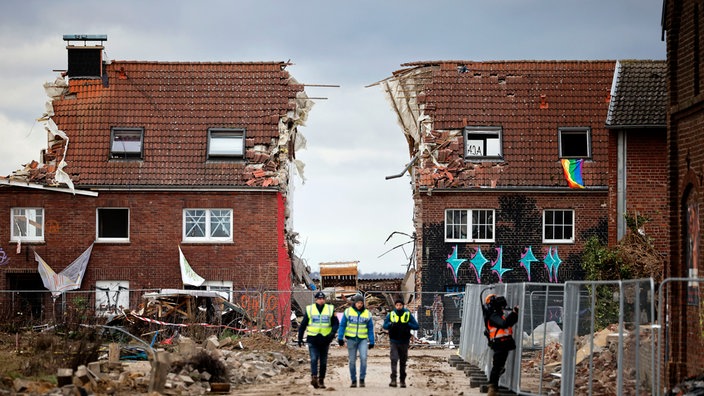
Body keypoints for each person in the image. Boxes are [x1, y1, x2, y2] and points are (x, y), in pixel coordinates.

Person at [298, 291, 338, 389]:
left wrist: (332, 333)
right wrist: (300, 337)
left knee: (323, 362)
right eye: (319, 299)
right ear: (316, 300)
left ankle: (321, 380)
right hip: (313, 338)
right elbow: (303, 324)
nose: (321, 300)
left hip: (325, 339)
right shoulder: (310, 309)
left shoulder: (330, 309)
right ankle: (314, 377)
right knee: (314, 358)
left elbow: (336, 323)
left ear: (324, 299)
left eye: (323, 299)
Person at [482, 294, 519, 396]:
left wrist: (514, 314)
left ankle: (494, 387)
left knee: (499, 367)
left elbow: (508, 324)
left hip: (504, 343)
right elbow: (504, 324)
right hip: (499, 344)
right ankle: (492, 389)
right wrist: (514, 313)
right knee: (497, 367)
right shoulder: (493, 316)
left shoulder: (498, 315)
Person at [338, 294, 375, 388]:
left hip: (362, 339)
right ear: (354, 303)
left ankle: (362, 379)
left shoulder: (367, 313)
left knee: (363, 358)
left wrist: (372, 341)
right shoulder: (348, 312)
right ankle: (353, 380)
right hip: (351, 339)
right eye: (358, 302)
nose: (359, 305)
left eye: (361, 303)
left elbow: (370, 328)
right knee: (352, 361)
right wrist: (340, 337)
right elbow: (342, 325)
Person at [382, 298, 419, 388]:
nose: (398, 307)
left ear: (403, 306)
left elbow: (416, 326)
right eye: (397, 305)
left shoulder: (407, 314)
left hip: (404, 341)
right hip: (394, 341)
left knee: (403, 361)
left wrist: (408, 325)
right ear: (395, 306)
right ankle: (393, 380)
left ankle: (402, 380)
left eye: (400, 305)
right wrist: (390, 324)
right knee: (394, 359)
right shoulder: (391, 314)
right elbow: (385, 326)